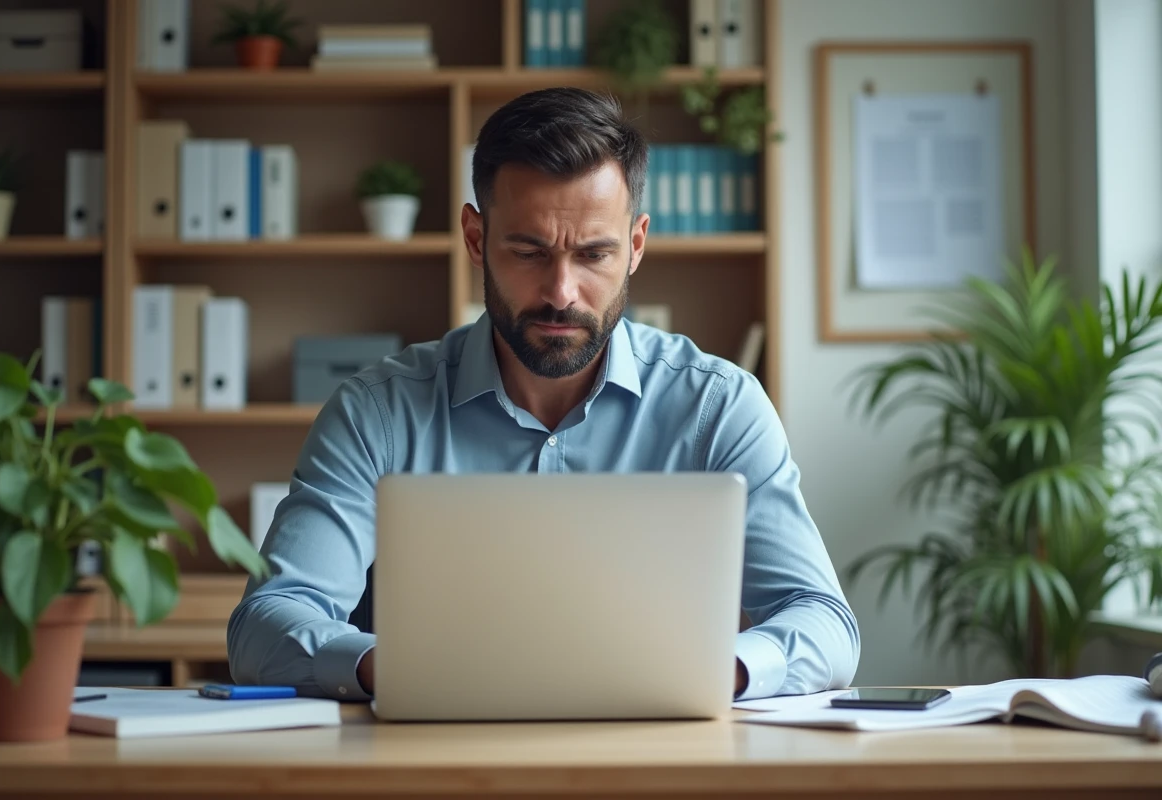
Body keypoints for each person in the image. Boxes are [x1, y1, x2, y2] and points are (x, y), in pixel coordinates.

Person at [227, 87, 860, 702]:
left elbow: (825, 622)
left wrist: (720, 671)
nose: (562, 291)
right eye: (529, 251)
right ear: (476, 239)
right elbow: (265, 624)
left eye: (594, 254)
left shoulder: (717, 407)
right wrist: (385, 666)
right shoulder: (378, 414)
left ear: (636, 246)